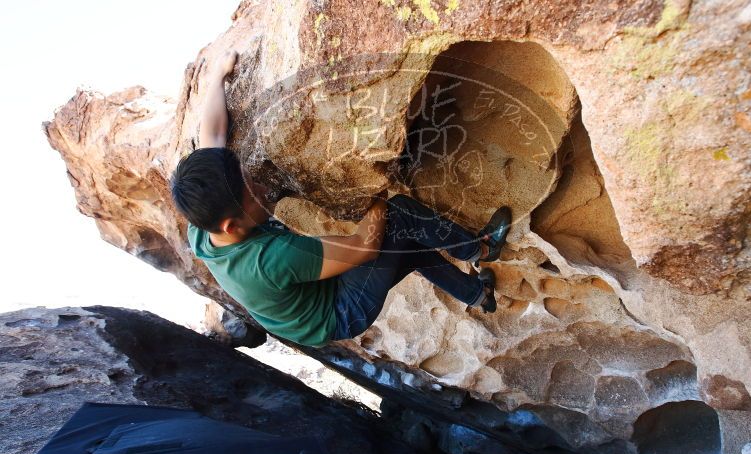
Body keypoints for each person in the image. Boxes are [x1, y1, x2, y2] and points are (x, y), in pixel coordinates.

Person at [169, 50, 512, 348]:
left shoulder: (204, 220)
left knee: (406, 250)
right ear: (231, 225)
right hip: (341, 311)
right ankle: (480, 249)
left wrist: (217, 76)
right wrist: (378, 189)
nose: (261, 187)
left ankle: (479, 295)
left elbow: (212, 136)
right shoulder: (271, 260)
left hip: (304, 306)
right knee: (399, 216)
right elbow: (362, 246)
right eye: (251, 193)